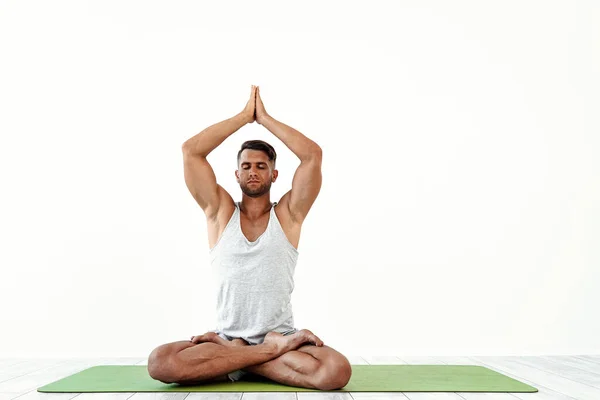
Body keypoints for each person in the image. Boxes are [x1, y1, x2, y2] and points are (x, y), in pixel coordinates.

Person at [146, 86, 352, 390]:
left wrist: (264, 118)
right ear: (237, 174)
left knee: (336, 371)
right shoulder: (219, 213)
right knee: (160, 361)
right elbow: (191, 151)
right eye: (246, 166)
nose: (253, 171)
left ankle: (240, 360)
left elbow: (312, 156)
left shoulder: (288, 215)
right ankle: (261, 356)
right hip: (233, 341)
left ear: (274, 175)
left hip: (281, 339)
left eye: (261, 166)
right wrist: (244, 117)